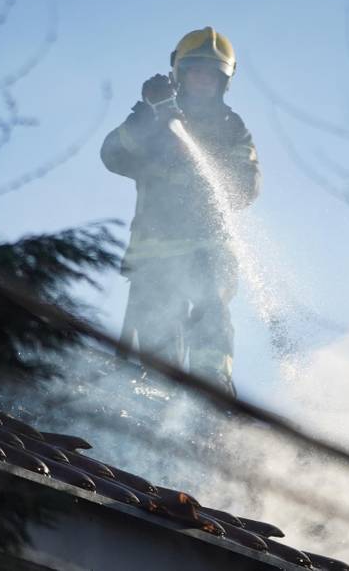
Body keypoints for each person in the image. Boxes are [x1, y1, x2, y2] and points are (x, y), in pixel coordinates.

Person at [101, 26, 260, 397]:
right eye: (195, 72)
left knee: (210, 305)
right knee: (157, 320)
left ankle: (211, 392)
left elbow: (246, 186)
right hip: (154, 250)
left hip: (210, 245)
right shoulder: (153, 118)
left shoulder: (231, 129)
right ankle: (160, 398)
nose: (202, 80)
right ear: (180, 75)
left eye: (211, 75)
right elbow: (112, 155)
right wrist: (148, 115)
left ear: (223, 82)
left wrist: (200, 175)